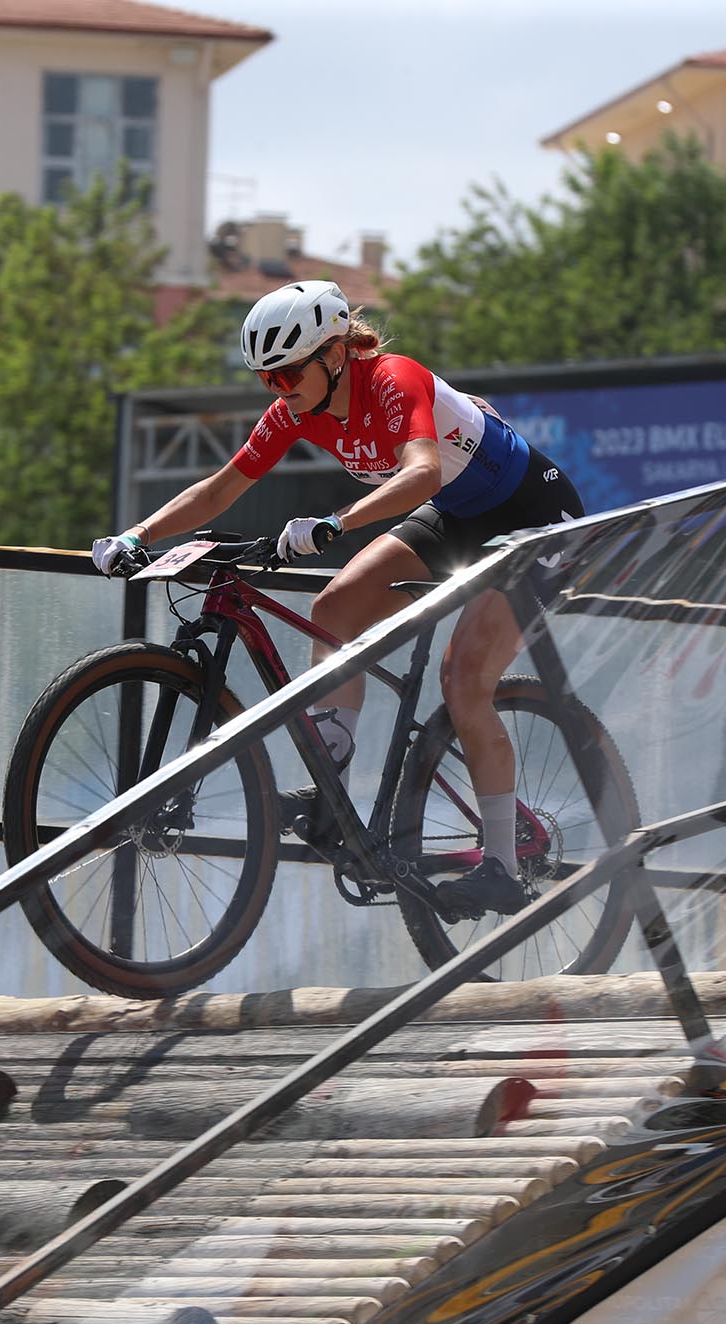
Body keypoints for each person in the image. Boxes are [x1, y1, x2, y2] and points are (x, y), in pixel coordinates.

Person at [90, 280, 581, 914]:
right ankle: (331, 785)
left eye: (289, 372)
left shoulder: (392, 379)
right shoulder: (298, 409)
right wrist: (136, 534)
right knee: (335, 610)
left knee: (463, 680)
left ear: (333, 354)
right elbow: (219, 489)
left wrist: (335, 523)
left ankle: (503, 867)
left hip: (535, 515)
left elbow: (424, 471)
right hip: (459, 515)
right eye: (268, 379)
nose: (281, 388)